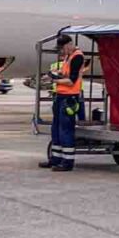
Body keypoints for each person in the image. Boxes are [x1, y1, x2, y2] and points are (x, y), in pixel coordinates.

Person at [39, 34, 83, 172]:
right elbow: (65, 74)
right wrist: (52, 74)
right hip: (60, 97)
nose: (61, 51)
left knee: (65, 130)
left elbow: (71, 81)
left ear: (69, 44)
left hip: (69, 98)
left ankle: (67, 162)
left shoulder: (77, 56)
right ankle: (55, 159)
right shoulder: (68, 56)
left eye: (62, 48)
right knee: (56, 129)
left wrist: (54, 80)